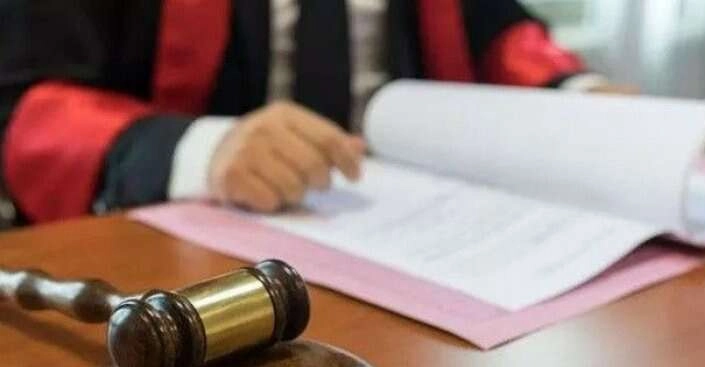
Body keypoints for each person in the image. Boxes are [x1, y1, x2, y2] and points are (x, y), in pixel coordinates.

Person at [0, 0, 622, 224]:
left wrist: (577, 91)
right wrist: (203, 150)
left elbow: (496, 27)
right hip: (192, 250)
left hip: (409, 224)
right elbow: (28, 105)